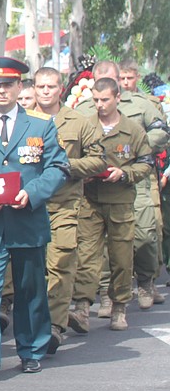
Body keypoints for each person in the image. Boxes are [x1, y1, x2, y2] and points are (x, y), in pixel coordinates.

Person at [0, 56, 68, 380]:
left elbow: (59, 168)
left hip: (27, 220)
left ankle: (31, 349)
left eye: (8, 84)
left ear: (21, 86)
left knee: (29, 287)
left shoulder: (41, 124)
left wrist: (31, 194)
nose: (2, 90)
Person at [70, 77, 152, 333]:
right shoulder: (86, 126)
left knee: (121, 258)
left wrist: (125, 173)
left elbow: (147, 162)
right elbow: (74, 158)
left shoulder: (132, 130)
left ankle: (119, 307)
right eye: (95, 100)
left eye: (105, 99)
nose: (100, 105)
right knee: (86, 256)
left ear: (117, 97)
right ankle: (82, 307)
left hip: (120, 202)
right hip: (90, 200)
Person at [32, 67, 105, 349]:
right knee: (32, 269)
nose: (46, 91)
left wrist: (68, 167)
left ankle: (54, 325)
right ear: (34, 89)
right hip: (29, 205)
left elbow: (98, 159)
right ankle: (33, 322)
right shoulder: (23, 120)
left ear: (61, 88)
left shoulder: (80, 122)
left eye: (51, 86)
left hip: (65, 205)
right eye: (41, 87)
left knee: (61, 265)